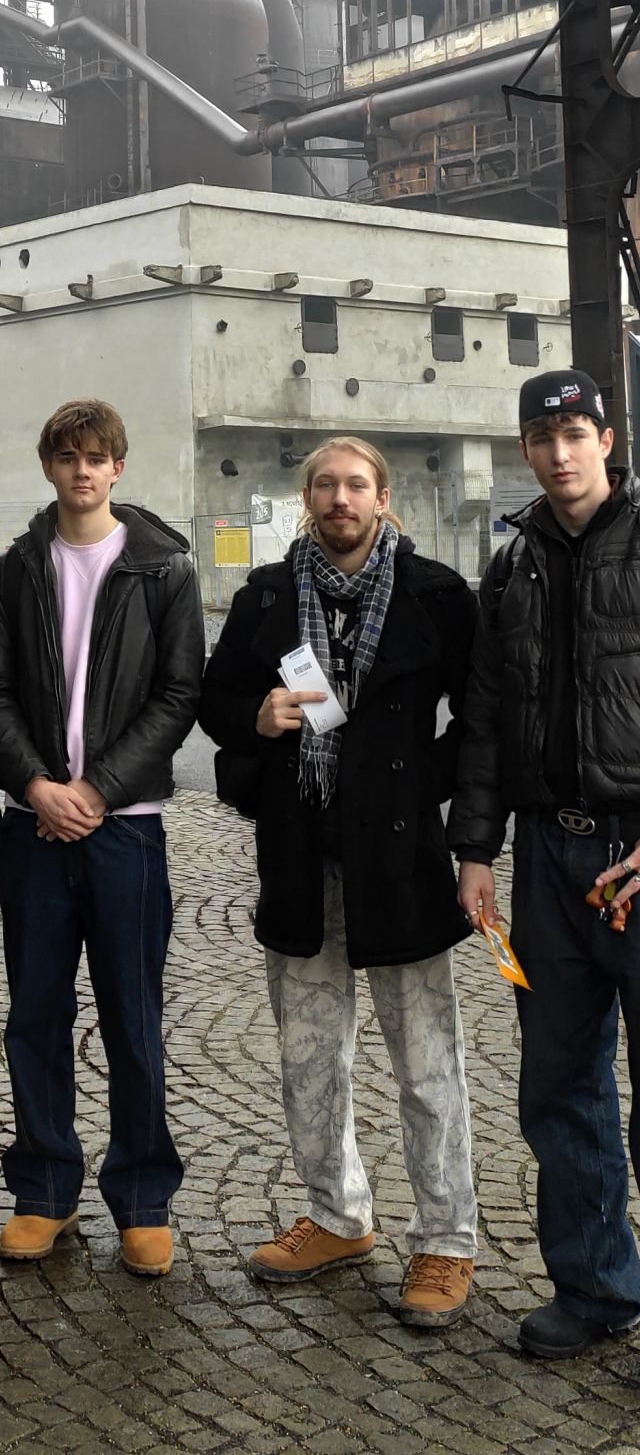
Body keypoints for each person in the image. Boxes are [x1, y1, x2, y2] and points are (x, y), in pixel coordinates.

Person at [199, 436, 479, 1328]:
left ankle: (447, 1236)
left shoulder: (437, 594)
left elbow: (481, 719)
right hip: (301, 856)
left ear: (383, 497)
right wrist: (256, 716)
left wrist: (417, 783)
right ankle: (337, 1215)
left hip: (400, 862)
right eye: (324, 484)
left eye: (356, 484)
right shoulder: (268, 594)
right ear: (307, 497)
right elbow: (215, 700)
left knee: (427, 1063)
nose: (340, 498)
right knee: (310, 1058)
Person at [0, 398, 204, 1278]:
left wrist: (99, 789)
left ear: (117, 468)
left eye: (95, 457)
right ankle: (45, 1188)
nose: (82, 470)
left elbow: (178, 694)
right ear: (49, 466)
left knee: (132, 1017)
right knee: (35, 1012)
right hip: (32, 825)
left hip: (126, 829)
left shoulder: (163, 569)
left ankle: (143, 1198)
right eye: (67, 456)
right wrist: (37, 785)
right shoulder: (14, 569)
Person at [450, 368, 640, 1358]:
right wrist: (475, 849)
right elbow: (485, 718)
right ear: (525, 448)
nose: (559, 452)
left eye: (575, 432)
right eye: (542, 436)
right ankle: (597, 1287)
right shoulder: (511, 564)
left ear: (607, 439)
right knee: (559, 1083)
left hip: (636, 854)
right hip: (547, 858)